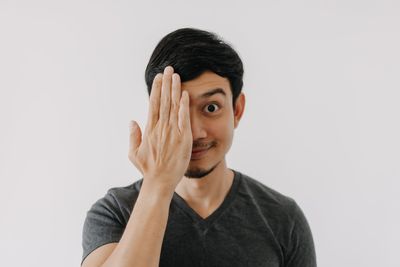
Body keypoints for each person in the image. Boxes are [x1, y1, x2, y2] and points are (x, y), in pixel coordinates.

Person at [81, 28, 317, 267]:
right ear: (156, 113)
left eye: (211, 107)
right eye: (176, 110)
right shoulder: (115, 212)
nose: (194, 132)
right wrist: (158, 183)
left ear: (237, 110)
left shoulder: (283, 218)